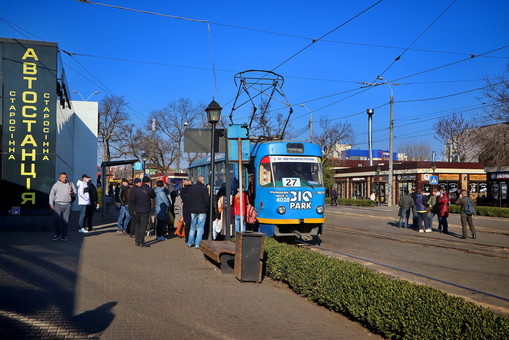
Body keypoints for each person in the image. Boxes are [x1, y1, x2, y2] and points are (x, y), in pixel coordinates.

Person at [129, 176, 156, 247]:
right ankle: (142, 242)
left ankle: (137, 240)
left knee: (138, 225)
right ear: (148, 182)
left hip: (137, 209)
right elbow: (153, 195)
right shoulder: (148, 189)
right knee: (143, 226)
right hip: (145, 209)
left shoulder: (136, 189)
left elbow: (132, 199)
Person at [49, 172, 76, 241]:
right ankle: (57, 234)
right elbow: (52, 194)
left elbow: (75, 192)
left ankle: (64, 235)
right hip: (58, 204)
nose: (65, 178)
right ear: (60, 178)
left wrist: (72, 193)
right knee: (57, 220)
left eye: (65, 177)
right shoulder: (56, 185)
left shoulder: (70, 183)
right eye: (63, 177)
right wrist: (51, 204)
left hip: (67, 204)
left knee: (65, 221)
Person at [186, 175, 209, 249]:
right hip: (202, 210)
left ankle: (190, 242)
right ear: (202, 181)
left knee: (192, 226)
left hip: (193, 210)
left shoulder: (191, 188)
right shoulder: (204, 189)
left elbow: (188, 199)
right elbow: (206, 200)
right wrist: (206, 208)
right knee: (200, 227)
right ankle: (197, 244)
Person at [179, 178, 193, 243]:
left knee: (187, 223)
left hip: (185, 207)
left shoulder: (182, 190)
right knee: (193, 223)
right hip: (192, 207)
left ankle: (186, 238)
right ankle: (192, 238)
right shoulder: (192, 190)